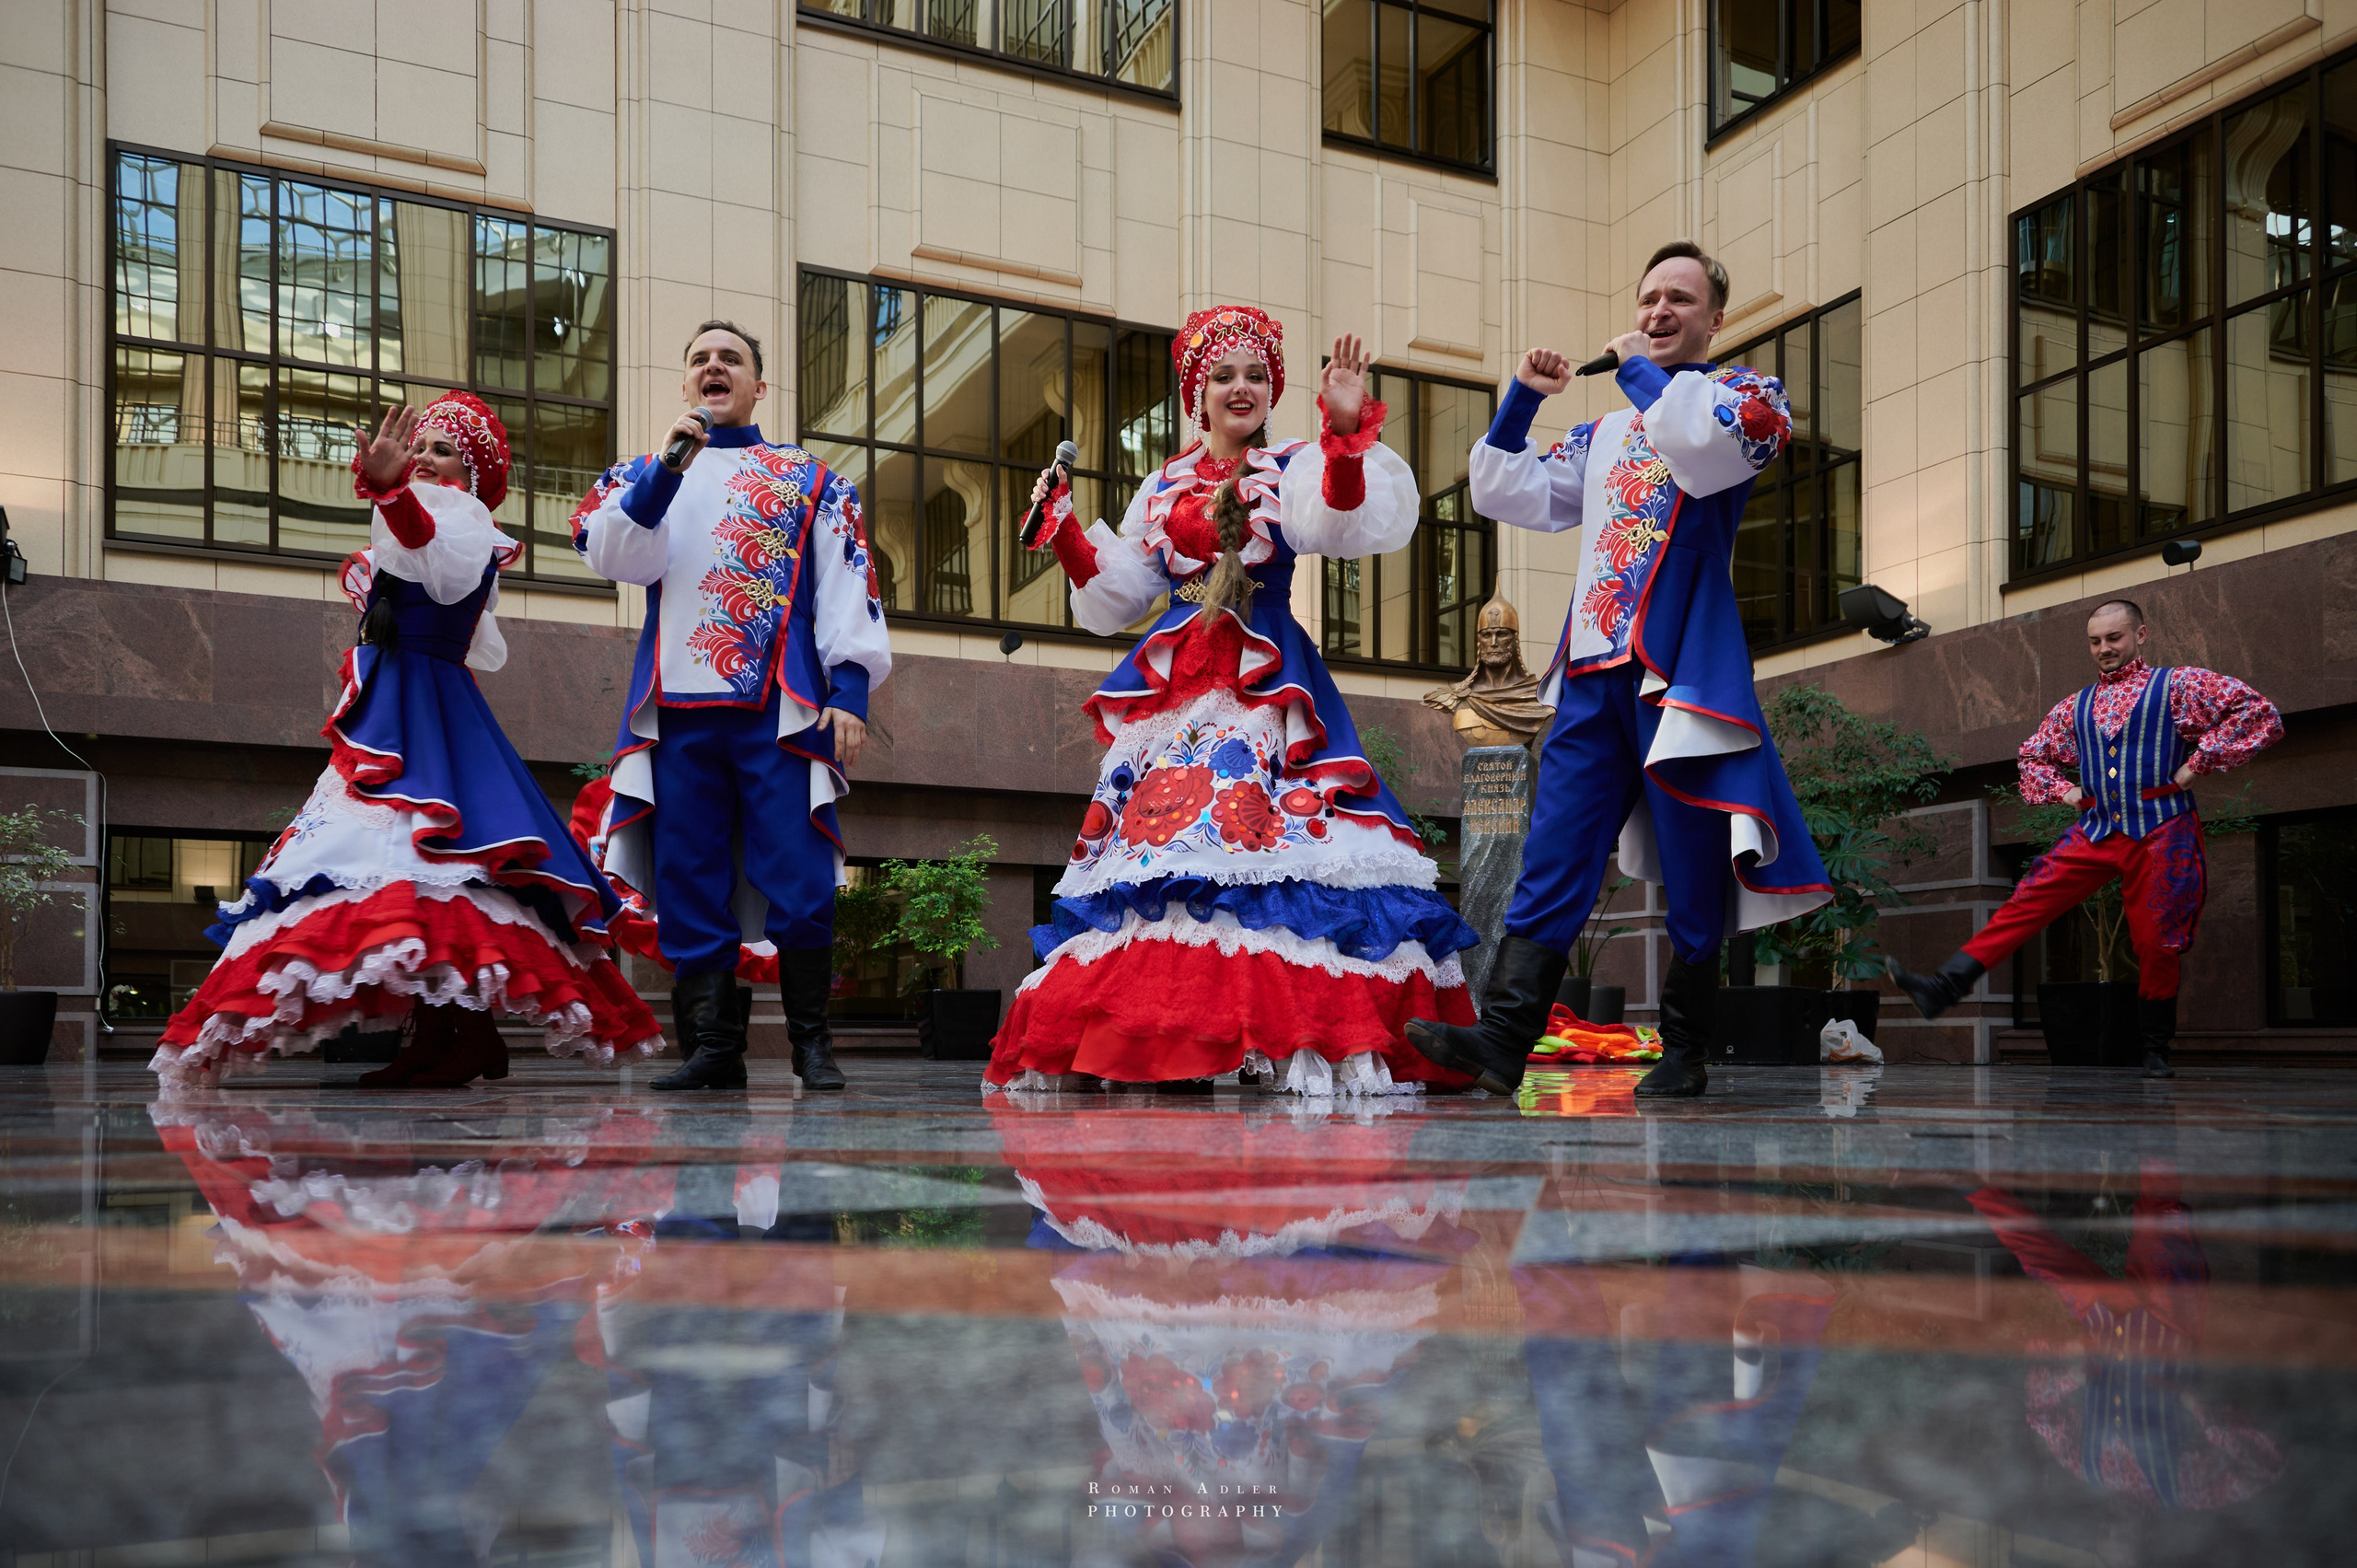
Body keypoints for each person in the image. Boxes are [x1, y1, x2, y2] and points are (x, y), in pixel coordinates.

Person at [985, 308, 1480, 1096]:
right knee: (1162, 853)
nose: (1241, 387)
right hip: (1180, 683)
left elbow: (1340, 521)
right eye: (1224, 375)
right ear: (1198, 394)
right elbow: (1122, 594)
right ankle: (1164, 1034)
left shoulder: (1290, 464)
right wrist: (1067, 531)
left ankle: (1278, 1032)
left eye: (1256, 375)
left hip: (1266, 671)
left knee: (1264, 842)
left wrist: (1345, 431)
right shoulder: (1164, 483)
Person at [1407, 240, 1833, 1100]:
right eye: (1648, 300)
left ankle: (1686, 1047)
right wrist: (1523, 399)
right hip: (1591, 672)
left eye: (1679, 299)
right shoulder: (1604, 432)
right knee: (1553, 853)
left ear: (1716, 319)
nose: (1658, 312)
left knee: (1692, 857)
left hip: (1677, 670)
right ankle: (1502, 1038)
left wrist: (1642, 375)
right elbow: (1507, 493)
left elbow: (1703, 452)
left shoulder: (1748, 401)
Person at [151, 394, 663, 1090]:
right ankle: (445, 1032)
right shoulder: (427, 519)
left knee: (425, 853)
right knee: (399, 860)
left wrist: (393, 490)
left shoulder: (462, 520)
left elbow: (440, 570)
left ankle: (467, 1035)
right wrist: (395, 496)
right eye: (419, 446)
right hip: (396, 705)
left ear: (475, 476)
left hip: (425, 708)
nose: (424, 456)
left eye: (442, 450)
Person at [573, 321, 892, 1093]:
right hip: (676, 709)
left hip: (779, 707)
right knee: (689, 876)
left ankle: (814, 1046)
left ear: (758, 387)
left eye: (732, 359)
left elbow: (848, 584)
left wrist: (848, 690)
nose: (714, 367)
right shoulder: (644, 475)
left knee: (802, 873)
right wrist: (666, 471)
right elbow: (615, 552)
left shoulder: (810, 478)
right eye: (699, 360)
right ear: (686, 386)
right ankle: (714, 1050)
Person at [1891, 599, 2282, 1077]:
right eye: (2095, 641)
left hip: (2162, 828)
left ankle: (2155, 1049)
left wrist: (2196, 765)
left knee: (2157, 940)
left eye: (2113, 638)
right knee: (2028, 899)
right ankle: (1944, 986)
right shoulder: (2075, 706)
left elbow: (2257, 712)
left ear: (2141, 635)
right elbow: (2032, 757)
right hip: (2097, 829)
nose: (2104, 649)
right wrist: (2066, 790)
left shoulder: (2180, 686)